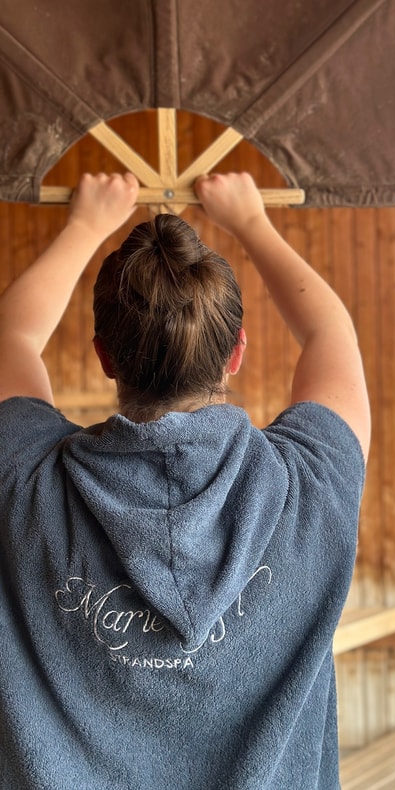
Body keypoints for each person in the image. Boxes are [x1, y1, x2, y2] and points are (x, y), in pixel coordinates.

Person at [0, 172, 370, 789]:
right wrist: (253, 221)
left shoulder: (24, 479)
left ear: (104, 355)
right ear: (237, 353)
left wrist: (85, 225)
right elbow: (333, 335)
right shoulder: (312, 482)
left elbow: (10, 336)